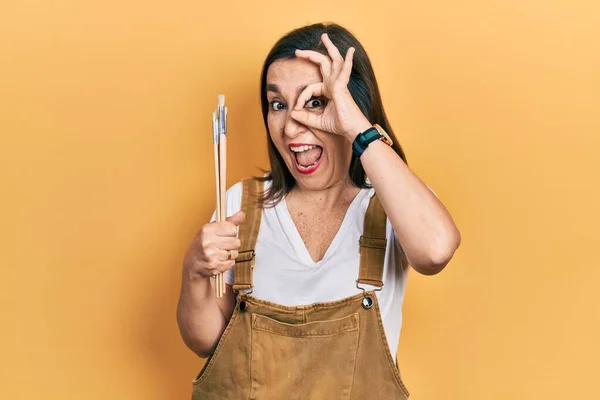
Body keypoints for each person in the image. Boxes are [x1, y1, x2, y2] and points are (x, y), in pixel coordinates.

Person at [177, 22, 461, 399]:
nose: (293, 126)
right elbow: (208, 342)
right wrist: (194, 269)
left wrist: (355, 125)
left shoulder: (392, 201)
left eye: (315, 101)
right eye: (277, 105)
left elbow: (436, 250)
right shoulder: (240, 205)